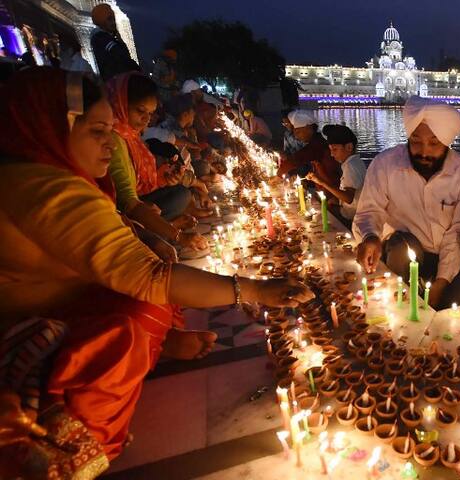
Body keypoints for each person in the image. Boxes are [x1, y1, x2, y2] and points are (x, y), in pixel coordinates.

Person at [0, 67, 314, 471]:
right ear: (52, 126)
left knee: (161, 286)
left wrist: (155, 239)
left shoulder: (41, 173)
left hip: (62, 299)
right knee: (141, 316)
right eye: (97, 131)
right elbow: (150, 276)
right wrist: (254, 289)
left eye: (110, 130)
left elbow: (119, 231)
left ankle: (160, 343)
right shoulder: (45, 188)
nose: (110, 145)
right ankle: (68, 453)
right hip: (22, 329)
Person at [353, 96, 460, 308]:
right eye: (416, 141)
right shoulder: (385, 164)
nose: (423, 151)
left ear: (447, 141)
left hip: (449, 258)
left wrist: (440, 284)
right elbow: (369, 211)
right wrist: (370, 236)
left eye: (434, 143)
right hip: (400, 255)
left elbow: (456, 231)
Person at [106, 72, 202, 248]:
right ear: (119, 103)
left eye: (150, 113)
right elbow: (127, 200)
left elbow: (138, 183)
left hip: (135, 201)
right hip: (116, 215)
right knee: (179, 196)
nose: (146, 119)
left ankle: (159, 228)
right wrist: (178, 237)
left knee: (180, 193)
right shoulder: (112, 139)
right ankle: (160, 231)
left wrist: (163, 178)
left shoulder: (131, 135)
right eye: (140, 111)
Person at [277, 110, 342, 199]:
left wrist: (279, 174)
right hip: (325, 190)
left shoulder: (317, 144)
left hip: (332, 193)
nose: (296, 136)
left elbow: (298, 158)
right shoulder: (316, 142)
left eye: (298, 132)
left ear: (309, 128)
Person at [306, 124, 366, 221]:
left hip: (351, 217)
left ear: (349, 147)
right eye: (330, 150)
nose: (332, 154)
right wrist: (338, 200)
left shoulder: (350, 166)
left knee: (318, 214)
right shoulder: (355, 162)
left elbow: (349, 197)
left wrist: (322, 182)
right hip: (352, 211)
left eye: (335, 149)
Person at [90, 3, 140, 81]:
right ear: (102, 21)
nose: (113, 23)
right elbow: (120, 55)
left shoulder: (109, 37)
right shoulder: (100, 38)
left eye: (113, 19)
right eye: (109, 19)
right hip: (118, 82)